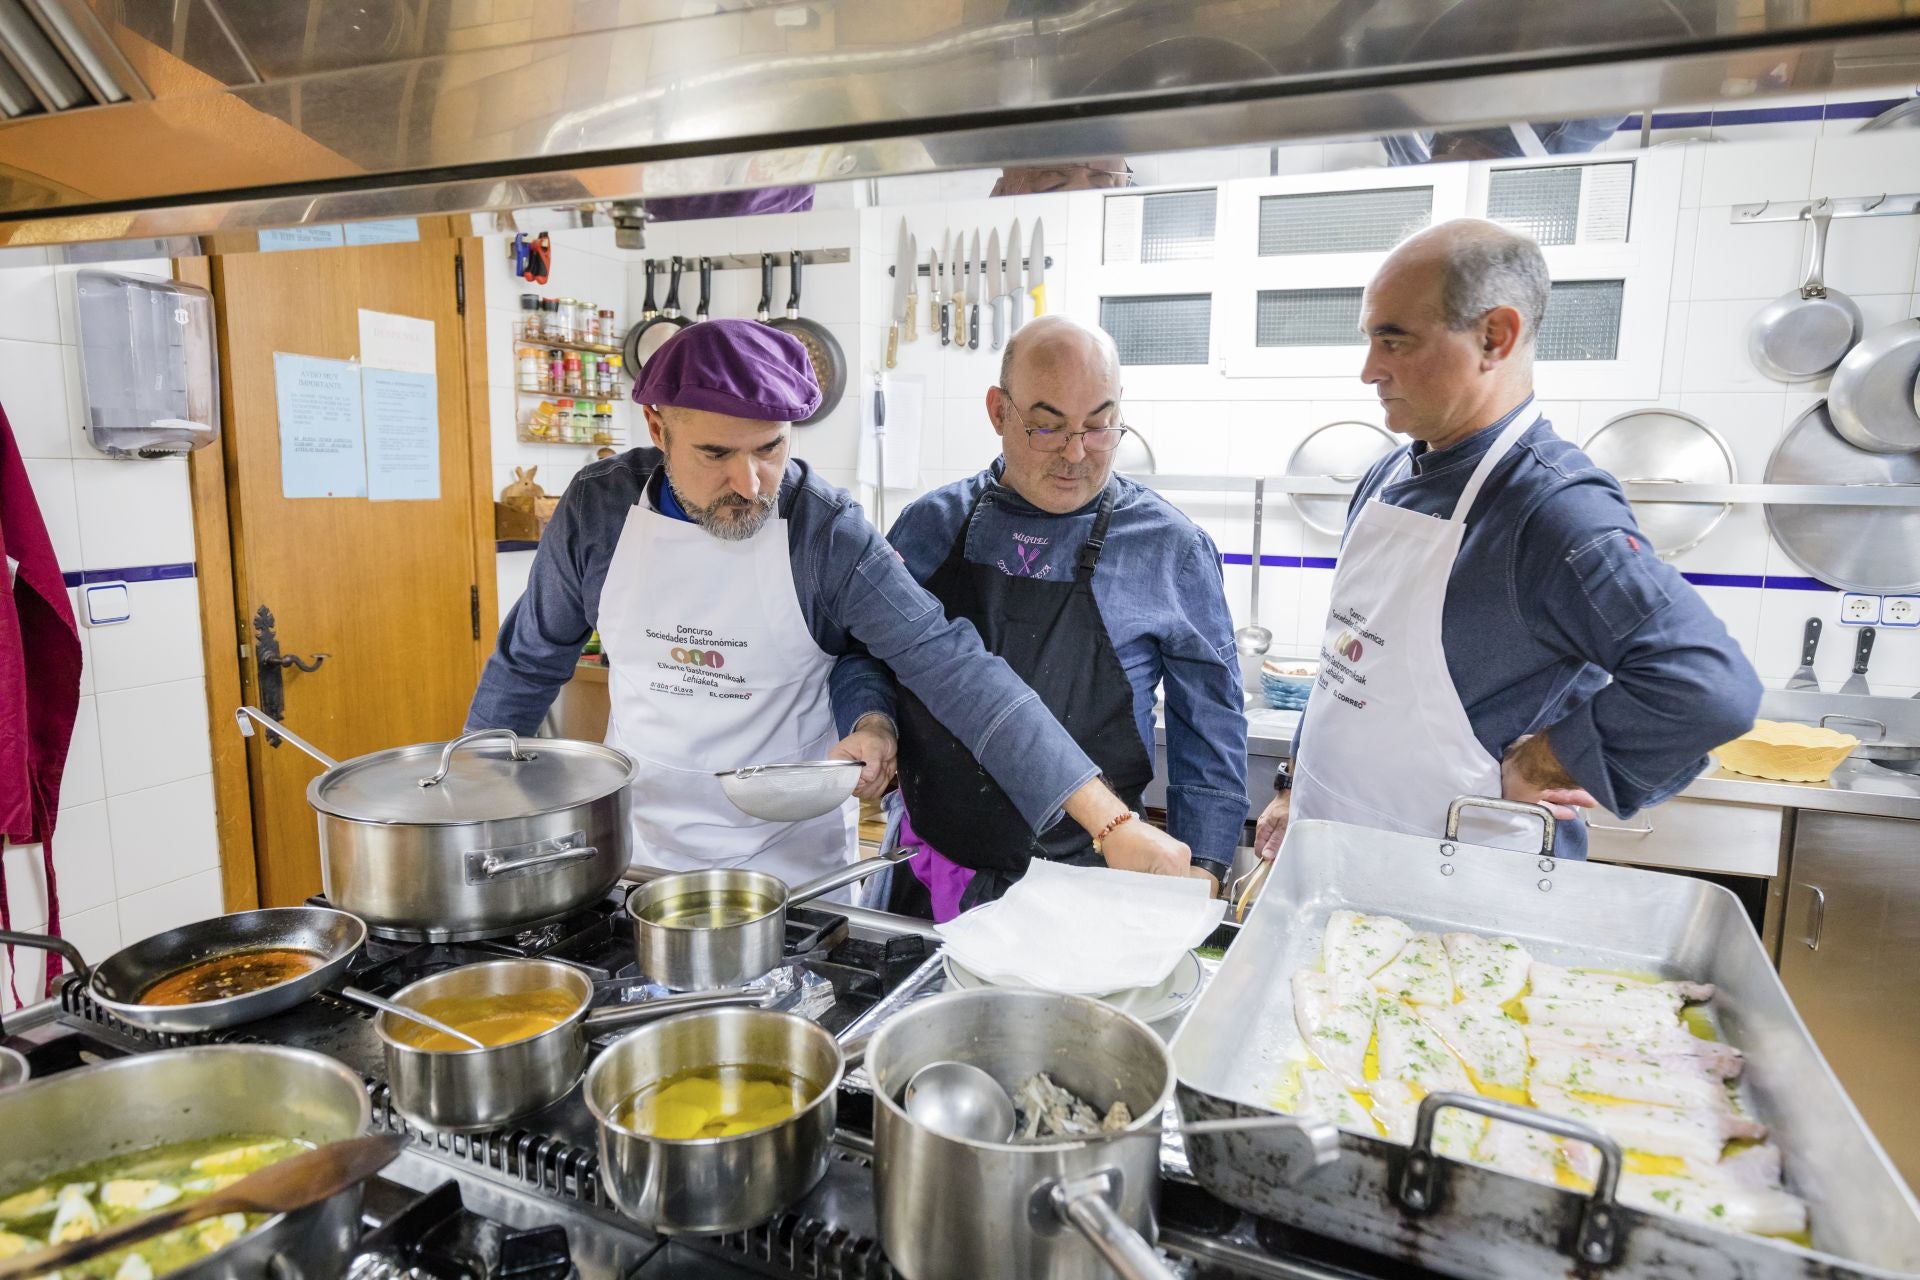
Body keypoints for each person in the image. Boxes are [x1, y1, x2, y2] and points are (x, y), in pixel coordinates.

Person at [467, 318, 1192, 887]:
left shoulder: (826, 532)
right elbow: (526, 665)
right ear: (658, 431)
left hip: (789, 876)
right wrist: (467, 807)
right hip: (638, 854)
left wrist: (1108, 821)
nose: (750, 483)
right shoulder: (598, 513)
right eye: (716, 454)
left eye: (771, 449)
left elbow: (958, 671)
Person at [1255, 219, 1759, 860]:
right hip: (1335, 855)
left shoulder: (1552, 507)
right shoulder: (1389, 472)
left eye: (1395, 341)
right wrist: (1294, 782)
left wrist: (1552, 761)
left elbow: (1708, 688)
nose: (1369, 371)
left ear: (1495, 336)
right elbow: (1345, 664)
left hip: (1464, 886)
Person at [843, 316, 1246, 919]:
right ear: (997, 411)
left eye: (1100, 425)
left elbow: (1209, 727)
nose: (1076, 453)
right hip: (931, 877)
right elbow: (866, 651)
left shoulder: (1170, 548)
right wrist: (873, 718)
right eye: (1047, 425)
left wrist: (1205, 872)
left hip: (1093, 887)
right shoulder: (931, 525)